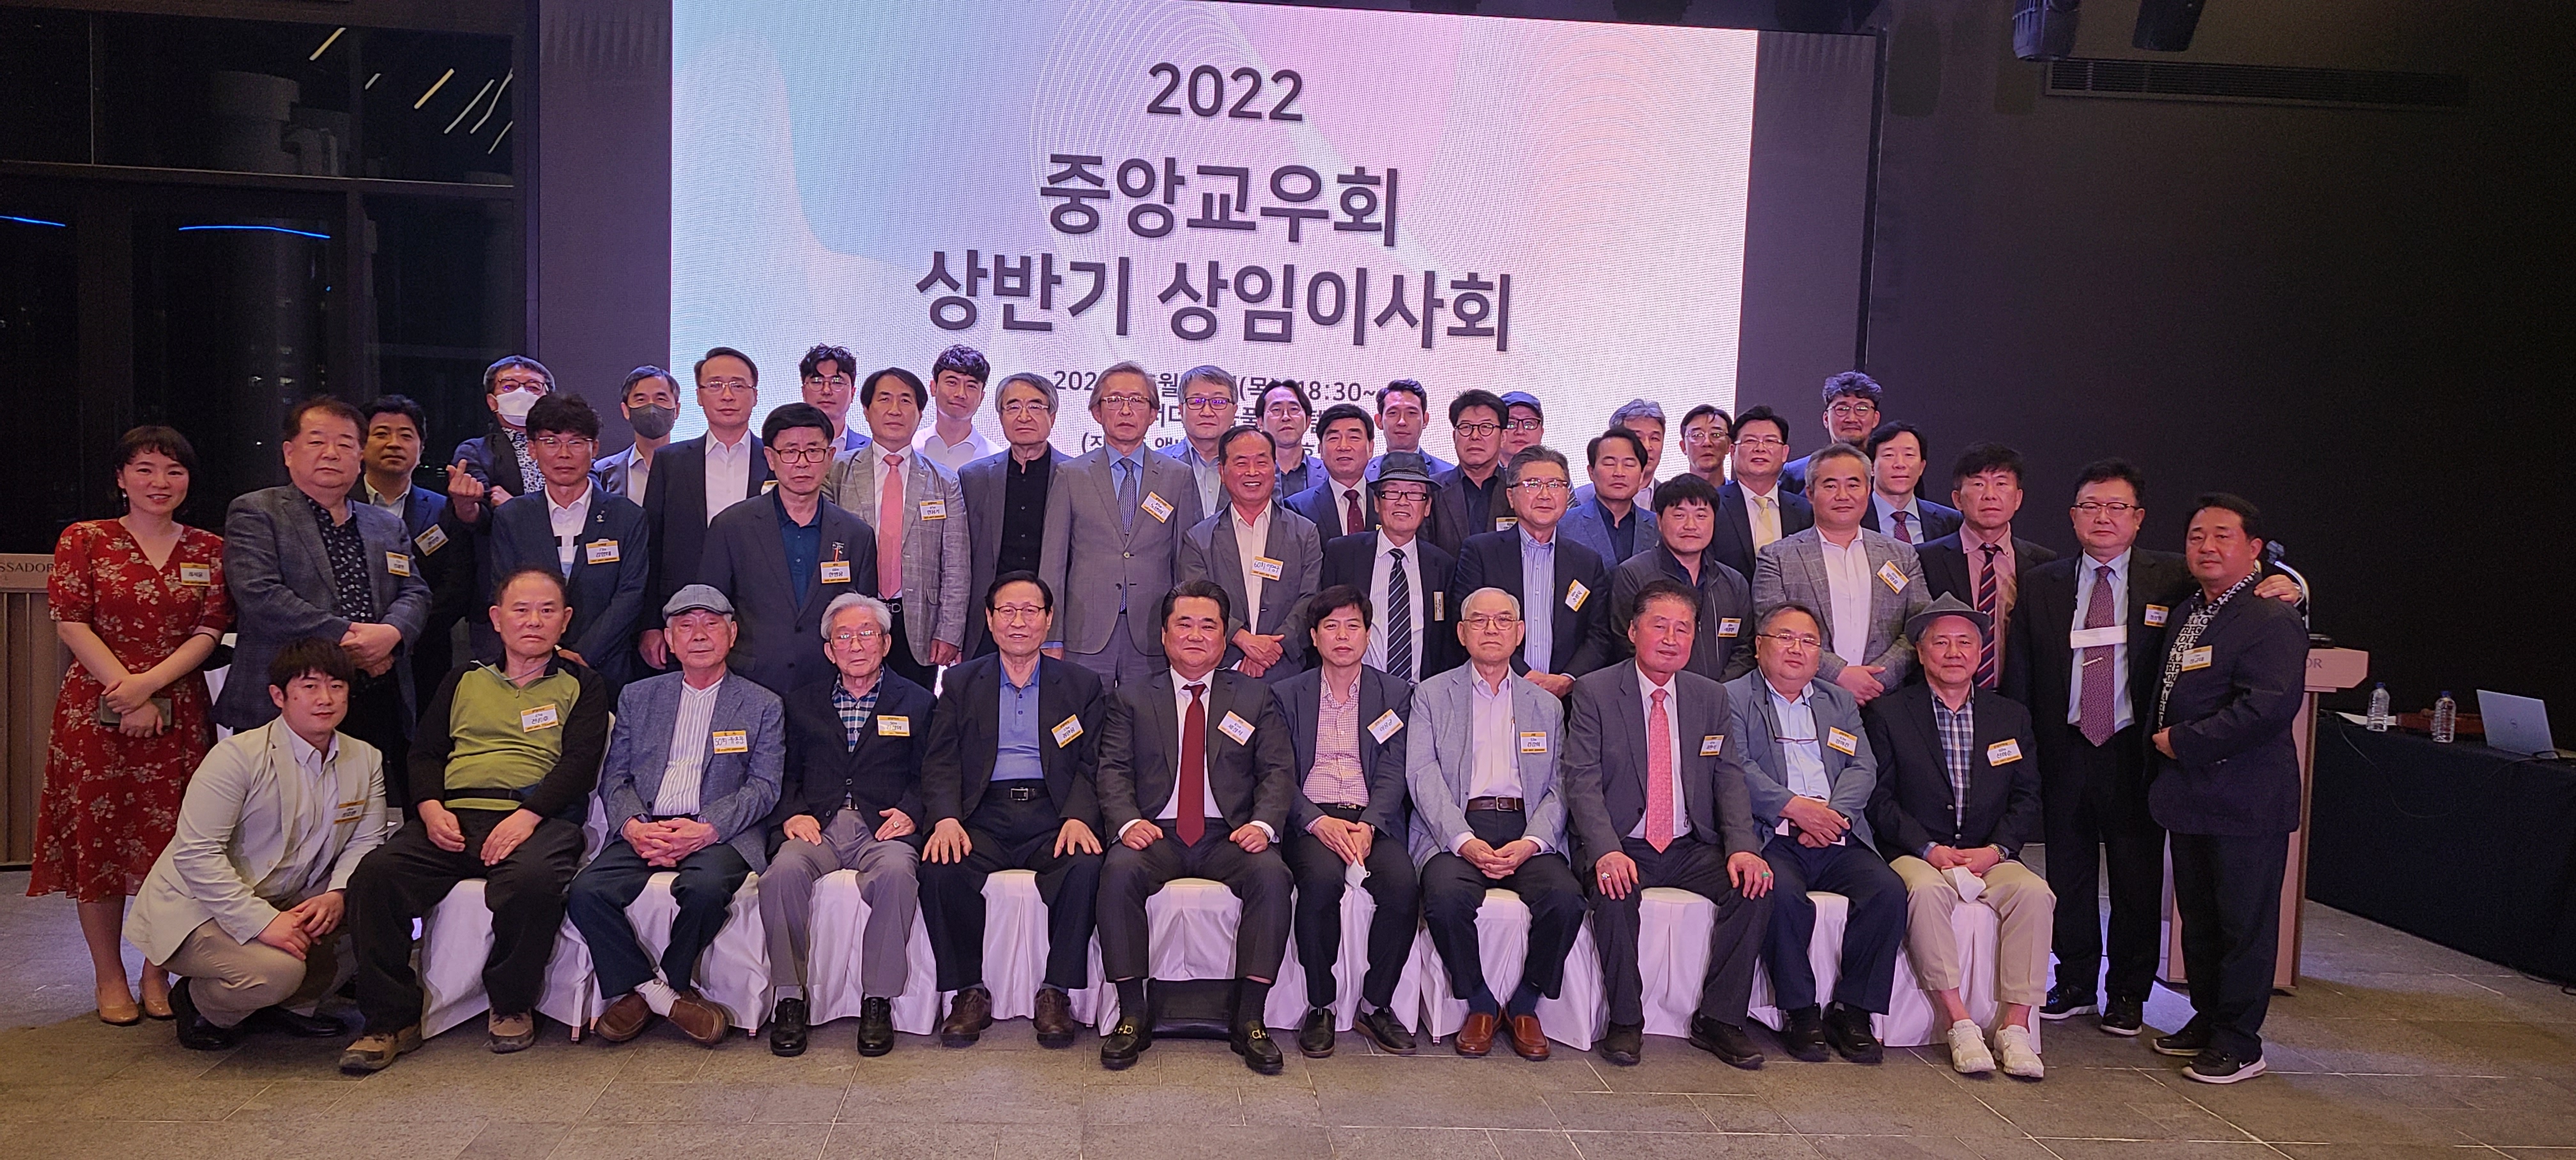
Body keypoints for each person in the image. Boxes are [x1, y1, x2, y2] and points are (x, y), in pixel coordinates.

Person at [339, 567, 608, 1071]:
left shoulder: (582, 684)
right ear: (497, 619)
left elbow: (579, 764)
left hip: (537, 817)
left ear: (566, 619)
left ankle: (510, 1004)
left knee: (532, 881)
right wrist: (429, 808)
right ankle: (389, 1020)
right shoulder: (463, 678)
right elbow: (425, 753)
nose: (534, 621)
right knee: (375, 876)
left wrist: (528, 817)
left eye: (547, 611)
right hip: (453, 815)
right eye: (521, 610)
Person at [37, 425, 233, 1026]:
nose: (160, 482)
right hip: (97, 707)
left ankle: (157, 970)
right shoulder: (86, 538)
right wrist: (128, 690)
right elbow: (71, 620)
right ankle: (108, 976)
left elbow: (209, 630)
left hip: (179, 709)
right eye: (145, 469)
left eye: (174, 470)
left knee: (176, 844)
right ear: (121, 478)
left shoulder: (208, 548)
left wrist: (150, 685)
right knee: (99, 842)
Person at [126, 638, 386, 1049]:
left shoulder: (366, 758)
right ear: (278, 696)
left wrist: (337, 893)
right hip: (199, 908)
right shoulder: (237, 757)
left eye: (337, 686)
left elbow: (367, 840)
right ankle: (200, 1004)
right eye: (309, 687)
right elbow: (197, 854)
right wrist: (262, 923)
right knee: (277, 972)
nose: (326, 699)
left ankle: (284, 1008)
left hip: (288, 897)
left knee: (375, 910)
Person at [1564, 579, 1775, 1069]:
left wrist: (1743, 846)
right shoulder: (1596, 691)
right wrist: (1606, 849)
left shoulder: (1709, 697)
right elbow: (1581, 780)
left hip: (1688, 843)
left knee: (1756, 885)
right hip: (1623, 841)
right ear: (1633, 630)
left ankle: (1720, 1019)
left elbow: (1728, 778)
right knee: (1614, 890)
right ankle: (1625, 1020)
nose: (1671, 638)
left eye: (1683, 629)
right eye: (1659, 626)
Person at [1093, 581, 1299, 1074]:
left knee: (1272, 876)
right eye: (1183, 624)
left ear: (1225, 637)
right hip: (1156, 832)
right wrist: (1127, 822)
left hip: (1229, 834)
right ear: (1164, 635)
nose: (1195, 635)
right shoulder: (1132, 698)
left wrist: (1263, 825)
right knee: (1118, 872)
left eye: (1208, 626)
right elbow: (1113, 770)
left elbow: (1277, 771)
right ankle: (1132, 1014)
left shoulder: (1255, 697)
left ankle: (1250, 1018)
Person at [569, 584, 783, 1048]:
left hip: (721, 833)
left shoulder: (762, 703)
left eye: (711, 624)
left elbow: (764, 787)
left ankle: (648, 993)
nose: (699, 635)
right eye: (686, 626)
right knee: (585, 892)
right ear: (669, 639)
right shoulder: (638, 697)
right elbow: (616, 777)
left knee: (704, 890)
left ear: (732, 634)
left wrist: (705, 829)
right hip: (646, 826)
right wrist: (632, 826)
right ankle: (664, 997)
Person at [2147, 495, 2308, 1084]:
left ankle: (2240, 1041)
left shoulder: (2271, 617)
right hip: (2192, 796)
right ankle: (2209, 1018)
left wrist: (2183, 741)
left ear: (2255, 549)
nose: (2207, 547)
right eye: (2196, 536)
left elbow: (2267, 708)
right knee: (2202, 920)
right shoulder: (2193, 608)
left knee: (2244, 924)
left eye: (2222, 536)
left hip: (2246, 798)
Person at [1862, 595, 2051, 1079]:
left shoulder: (2010, 716)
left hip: (1988, 851)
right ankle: (1959, 1022)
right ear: (1920, 652)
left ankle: (2016, 1027)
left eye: (1964, 642)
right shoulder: (1889, 714)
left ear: (1980, 651)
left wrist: (1996, 850)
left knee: (2035, 894)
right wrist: (1928, 849)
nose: (1953, 652)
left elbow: (2027, 796)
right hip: (1918, 852)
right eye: (1940, 642)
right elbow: (1878, 799)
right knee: (1925, 893)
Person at [919, 574, 1108, 1049]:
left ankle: (1057, 992)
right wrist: (946, 818)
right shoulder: (961, 682)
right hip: (982, 813)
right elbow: (940, 760)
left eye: (1030, 611)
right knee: (940, 867)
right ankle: (968, 992)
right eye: (1007, 611)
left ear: (1048, 619)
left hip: (1053, 812)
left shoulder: (1081, 685)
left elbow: (1094, 762)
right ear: (989, 619)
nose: (1018, 622)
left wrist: (1078, 816)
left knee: (1086, 865)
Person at [1405, 587, 1585, 1061]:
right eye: (1479, 621)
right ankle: (1481, 1003)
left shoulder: (1545, 705)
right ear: (1461, 633)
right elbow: (1422, 775)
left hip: (1527, 827)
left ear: (1520, 632)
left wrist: (1533, 842)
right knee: (1445, 899)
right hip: (1456, 825)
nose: (1491, 629)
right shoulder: (1431, 695)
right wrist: (1463, 840)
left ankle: (1525, 1004)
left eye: (1503, 620)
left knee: (1565, 899)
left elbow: (1561, 785)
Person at [218, 397, 430, 790]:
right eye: (317, 442)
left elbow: (414, 590)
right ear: (289, 452)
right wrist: (353, 638)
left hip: (373, 695)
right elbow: (261, 595)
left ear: (360, 456)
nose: (331, 453)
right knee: (276, 814)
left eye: (345, 444)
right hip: (283, 696)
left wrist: (390, 635)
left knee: (365, 811)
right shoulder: (257, 511)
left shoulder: (385, 525)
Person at [758, 593, 934, 1057]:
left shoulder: (918, 702)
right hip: (818, 824)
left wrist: (911, 811)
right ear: (828, 649)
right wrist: (792, 812)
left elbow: (932, 773)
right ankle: (789, 999)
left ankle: (877, 1000)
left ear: (886, 643)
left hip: (884, 827)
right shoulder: (800, 703)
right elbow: (782, 772)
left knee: (897, 875)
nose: (856, 645)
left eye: (866, 634)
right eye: (844, 637)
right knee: (781, 874)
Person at [1726, 602, 1902, 1064]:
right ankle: (1799, 1011)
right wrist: (1797, 810)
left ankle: (1853, 1011)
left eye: (1808, 641)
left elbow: (1863, 765)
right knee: (1779, 894)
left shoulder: (1837, 700)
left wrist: (1833, 816)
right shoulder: (1732, 697)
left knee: (1887, 891)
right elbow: (1737, 766)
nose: (1796, 649)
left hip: (1837, 830)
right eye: (1785, 637)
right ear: (1759, 645)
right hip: (1774, 832)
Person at [1271, 586, 1421, 1058]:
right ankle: (1321, 1004)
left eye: (1353, 626)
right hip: (1312, 820)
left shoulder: (1395, 694)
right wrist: (1316, 822)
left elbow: (1396, 767)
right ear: (1314, 636)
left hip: (1370, 820)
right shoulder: (1286, 694)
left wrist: (1370, 824)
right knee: (1319, 883)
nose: (1342, 636)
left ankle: (1376, 1004)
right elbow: (1277, 772)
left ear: (1368, 635)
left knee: (1402, 886)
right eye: (1331, 627)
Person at [1038, 362, 1205, 691]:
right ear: (1097, 412)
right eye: (1115, 400)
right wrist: (1051, 635)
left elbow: (1186, 562)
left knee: (1148, 719)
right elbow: (1053, 562)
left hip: (1153, 632)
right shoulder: (1071, 475)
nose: (1126, 410)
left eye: (1137, 400)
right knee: (1082, 716)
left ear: (1154, 413)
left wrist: (1187, 630)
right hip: (1085, 632)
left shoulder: (1177, 476)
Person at [702, 402, 877, 698]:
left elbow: (863, 618)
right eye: (790, 452)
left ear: (830, 457)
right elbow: (713, 611)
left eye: (814, 451)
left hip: (828, 686)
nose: (802, 463)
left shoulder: (856, 535)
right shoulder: (731, 527)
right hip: (749, 682)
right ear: (771, 458)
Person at [481, 393, 650, 689]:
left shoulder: (627, 516)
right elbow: (504, 591)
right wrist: (551, 654)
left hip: (606, 669)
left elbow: (631, 594)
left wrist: (583, 654)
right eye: (550, 442)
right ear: (532, 449)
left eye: (576, 442)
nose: (564, 454)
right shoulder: (512, 517)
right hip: (531, 667)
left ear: (594, 448)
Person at [825, 367, 970, 691]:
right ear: (866, 410)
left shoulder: (944, 481)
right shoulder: (837, 472)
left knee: (913, 710)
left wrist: (949, 631)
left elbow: (956, 566)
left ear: (920, 413)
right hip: (852, 618)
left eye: (905, 401)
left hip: (918, 622)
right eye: (885, 399)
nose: (895, 410)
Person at [1753, 442, 1930, 705]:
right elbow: (1774, 632)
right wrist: (1840, 675)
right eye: (1830, 485)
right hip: (1807, 698)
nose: (1843, 495)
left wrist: (1877, 679)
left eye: (1853, 484)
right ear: (1810, 493)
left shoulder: (1902, 556)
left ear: (1868, 490)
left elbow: (1920, 625)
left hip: (1887, 699)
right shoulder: (1777, 558)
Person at [639, 347, 773, 671]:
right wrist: (650, 624)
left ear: (755, 396)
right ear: (699, 396)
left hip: (762, 617)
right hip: (687, 617)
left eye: (738, 385)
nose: (727, 395)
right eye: (715, 385)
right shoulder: (670, 462)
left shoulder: (774, 460)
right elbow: (651, 547)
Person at [1452, 446, 1606, 698]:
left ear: (1567, 495)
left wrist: (1566, 680)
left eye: (1555, 485)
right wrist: (1523, 675)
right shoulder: (1481, 553)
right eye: (1533, 484)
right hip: (1494, 692)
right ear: (1511, 497)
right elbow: (1468, 625)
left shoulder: (1587, 562)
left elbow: (1598, 635)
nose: (1545, 495)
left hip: (1567, 700)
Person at [1574, 473, 1756, 683]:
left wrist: (1716, 692)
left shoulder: (1734, 582)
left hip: (1724, 696)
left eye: (1701, 515)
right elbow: (1627, 645)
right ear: (1659, 521)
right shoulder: (1633, 575)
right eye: (1679, 515)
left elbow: (1744, 648)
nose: (1691, 525)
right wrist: (1681, 691)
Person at [1179, 425, 1324, 683]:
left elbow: (1310, 599)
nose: (1252, 472)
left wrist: (1271, 649)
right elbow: (1197, 604)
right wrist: (1244, 640)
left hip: (1287, 673)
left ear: (1274, 468)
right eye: (1241, 463)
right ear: (1222, 472)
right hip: (1222, 671)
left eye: (1261, 462)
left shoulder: (1305, 533)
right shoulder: (1198, 539)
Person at [1917, 443, 2058, 690]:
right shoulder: (1926, 559)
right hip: (1942, 695)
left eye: (2001, 484)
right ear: (1957, 499)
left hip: (2018, 698)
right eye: (1978, 484)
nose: (1990, 495)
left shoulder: (2043, 563)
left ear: (2018, 498)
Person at [360, 395, 471, 696]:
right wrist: (368, 643)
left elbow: (456, 586)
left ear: (421, 450)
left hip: (425, 655)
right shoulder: (340, 506)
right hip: (352, 653)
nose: (394, 444)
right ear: (361, 446)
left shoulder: (443, 510)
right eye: (381, 434)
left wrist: (400, 636)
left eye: (406, 436)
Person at [1320, 452, 1459, 683]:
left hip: (1422, 693)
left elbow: (1445, 642)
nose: (1403, 501)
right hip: (1356, 689)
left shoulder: (1442, 565)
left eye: (1414, 493)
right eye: (1392, 492)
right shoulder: (1342, 554)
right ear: (1377, 503)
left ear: (1427, 507)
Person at [958, 372, 1068, 658]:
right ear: (1000, 416)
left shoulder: (1075, 476)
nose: (1024, 416)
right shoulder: (973, 477)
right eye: (1013, 406)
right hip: (987, 622)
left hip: (1051, 622)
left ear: (1053, 416)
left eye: (1035, 406)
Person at [442, 356, 554, 521]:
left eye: (533, 387)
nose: (522, 393)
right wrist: (466, 506)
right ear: (492, 402)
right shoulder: (476, 452)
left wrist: (514, 507)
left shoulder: (571, 446)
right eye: (509, 386)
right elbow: (482, 516)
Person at [1711, 406, 1813, 580]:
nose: (1760, 448)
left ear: (1785, 453)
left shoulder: (1805, 511)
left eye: (1770, 441)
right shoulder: (1713, 506)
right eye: (1750, 441)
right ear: (1733, 452)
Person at [1423, 388, 1511, 558]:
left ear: (1503, 437)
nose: (1475, 436)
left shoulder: (1518, 490)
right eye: (1466, 427)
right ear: (1454, 436)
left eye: (1486, 427)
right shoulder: (1432, 489)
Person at [1560, 427, 1659, 567]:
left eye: (1629, 464)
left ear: (1642, 475)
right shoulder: (1564, 525)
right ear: (1591, 472)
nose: (1619, 473)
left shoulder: (1660, 526)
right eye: (1609, 464)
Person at [1859, 422, 1963, 545]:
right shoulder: (1854, 518)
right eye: (1889, 455)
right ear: (1871, 467)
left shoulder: (1950, 521)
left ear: (1922, 467)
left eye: (1909, 455)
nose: (1900, 464)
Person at [1781, 370, 1884, 493]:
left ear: (1875, 419)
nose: (1852, 418)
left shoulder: (1888, 473)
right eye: (1842, 409)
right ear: (1826, 419)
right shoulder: (1795, 475)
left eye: (1861, 409)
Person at [1283, 402, 1376, 538]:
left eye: (1354, 438)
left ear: (1371, 448)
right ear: (1321, 450)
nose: (1343, 447)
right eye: (1334, 438)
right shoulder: (1298, 508)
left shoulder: (1388, 503)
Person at [593, 365, 681, 504]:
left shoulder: (696, 468)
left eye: (660, 399)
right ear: (626, 410)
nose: (651, 408)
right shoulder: (601, 472)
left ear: (677, 410)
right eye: (641, 400)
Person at [1162, 364, 1239, 514]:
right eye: (1197, 402)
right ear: (1181, 411)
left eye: (1218, 402)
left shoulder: (1256, 467)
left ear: (1234, 411)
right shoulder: (1157, 465)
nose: (1207, 412)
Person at [1572, 398, 1668, 506]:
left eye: (1654, 438)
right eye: (1637, 437)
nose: (1647, 446)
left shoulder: (1672, 501)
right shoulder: (1579, 500)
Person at [921, 344, 997, 471]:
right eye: (952, 383)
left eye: (971, 386)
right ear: (933, 387)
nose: (961, 394)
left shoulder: (995, 460)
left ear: (981, 397)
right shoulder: (909, 448)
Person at [1367, 378, 1453, 478]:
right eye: (1393, 413)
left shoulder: (1449, 475)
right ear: (1379, 421)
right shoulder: (1363, 474)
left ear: (1425, 420)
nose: (1402, 422)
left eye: (1411, 413)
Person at [799, 343, 870, 457]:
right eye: (817, 381)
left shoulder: (872, 452)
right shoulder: (781, 450)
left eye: (837, 382)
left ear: (852, 393)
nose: (826, 390)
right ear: (804, 392)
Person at [1258, 378, 1323, 496]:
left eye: (1294, 409)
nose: (1286, 417)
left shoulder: (1329, 474)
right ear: (1260, 422)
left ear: (1308, 421)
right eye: (1276, 410)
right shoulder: (1248, 474)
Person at [1678, 404, 1733, 488]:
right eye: (1697, 435)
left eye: (1716, 434)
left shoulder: (1743, 495)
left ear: (1729, 445)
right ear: (1684, 446)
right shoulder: (1669, 495)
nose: (1707, 443)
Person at [1497, 391, 1547, 461]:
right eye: (1511, 424)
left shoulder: (1556, 467)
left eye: (1529, 424)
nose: (1520, 431)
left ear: (1541, 432)